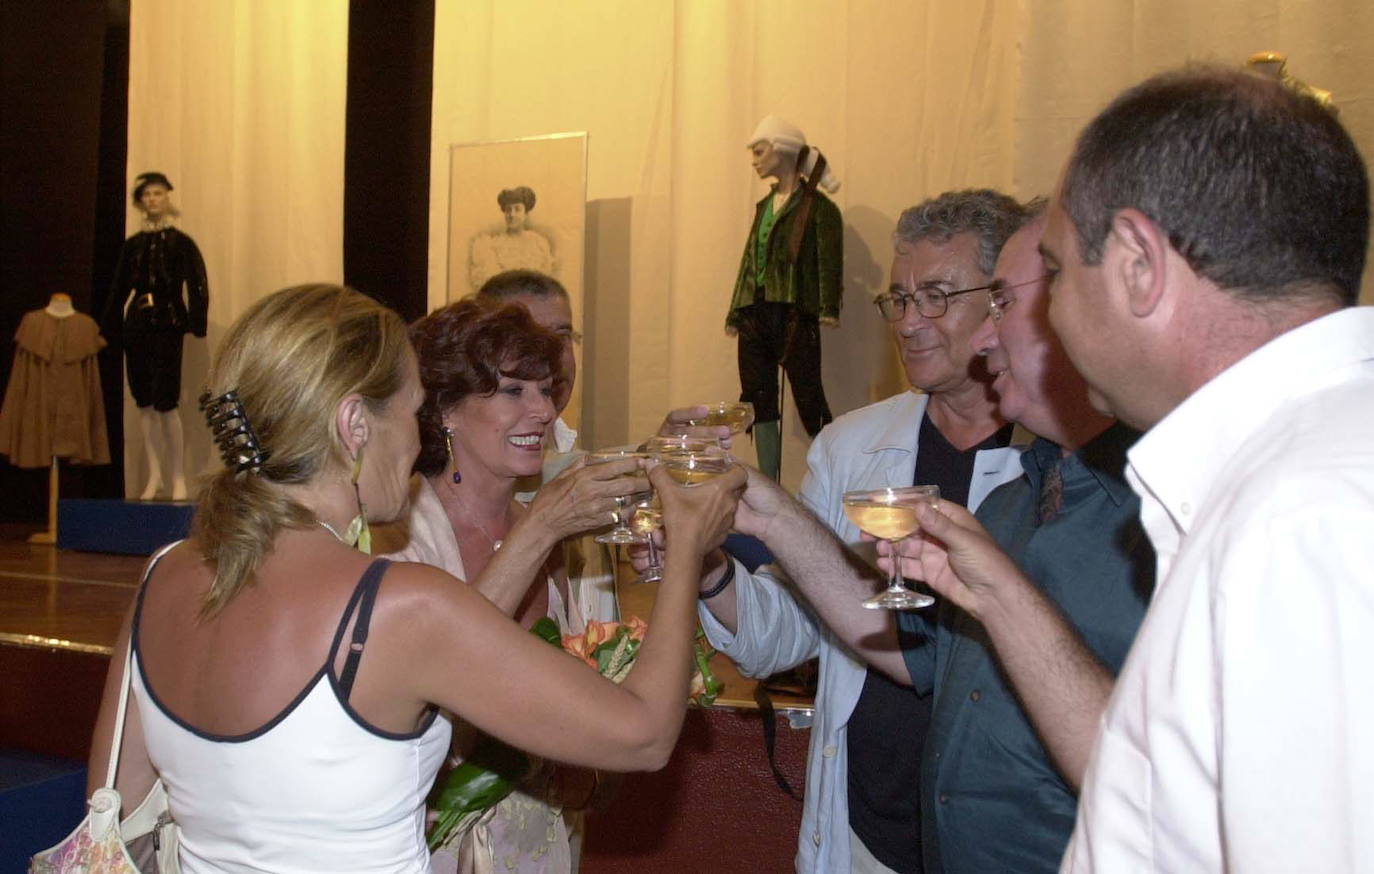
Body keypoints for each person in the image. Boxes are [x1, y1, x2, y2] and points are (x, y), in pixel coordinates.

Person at [86, 283, 745, 872]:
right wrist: (687, 542)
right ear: (354, 424)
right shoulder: (397, 605)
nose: (415, 441)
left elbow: (114, 822)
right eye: (411, 411)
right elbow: (644, 735)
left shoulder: (163, 575)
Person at [1035, 66, 1374, 871]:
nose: (1048, 312)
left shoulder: (1303, 521)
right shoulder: (1304, 476)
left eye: (1055, 271)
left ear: (1137, 264)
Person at [695, 190, 1028, 874]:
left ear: (1003, 303)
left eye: (936, 297)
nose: (909, 322)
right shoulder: (852, 446)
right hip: (867, 833)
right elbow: (791, 628)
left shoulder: (1054, 457)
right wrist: (709, 569)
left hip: (1003, 839)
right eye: (898, 300)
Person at [860, 204, 1153, 871]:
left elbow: (1173, 797)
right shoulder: (1005, 506)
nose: (983, 340)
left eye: (1003, 304)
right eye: (901, 300)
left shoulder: (1170, 515)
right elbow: (921, 663)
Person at [378, 296, 648, 873]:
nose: (543, 411)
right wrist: (544, 525)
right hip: (433, 848)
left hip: (543, 845)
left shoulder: (558, 533)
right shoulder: (399, 535)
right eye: (513, 391)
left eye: (545, 390)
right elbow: (436, 672)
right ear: (446, 409)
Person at [726, 115, 843, 479]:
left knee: (808, 397)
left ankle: (835, 472)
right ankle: (768, 480)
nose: (754, 160)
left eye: (760, 151)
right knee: (757, 398)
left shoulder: (819, 208)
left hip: (793, 313)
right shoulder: (764, 207)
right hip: (755, 312)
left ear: (783, 151)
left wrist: (826, 307)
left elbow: (828, 259)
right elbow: (750, 261)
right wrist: (736, 310)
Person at [103, 171, 209, 501]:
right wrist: (108, 327)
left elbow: (198, 283)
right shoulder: (133, 246)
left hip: (168, 322)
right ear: (140, 201)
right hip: (137, 323)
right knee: (144, 402)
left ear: (167, 197)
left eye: (158, 193)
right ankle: (155, 475)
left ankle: (177, 475)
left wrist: (196, 322)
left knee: (166, 400)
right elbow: (119, 287)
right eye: (147, 195)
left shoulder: (181, 242)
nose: (152, 199)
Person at [469, 187, 556, 292]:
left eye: (517, 209)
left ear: (526, 213)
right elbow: (489, 284)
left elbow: (544, 280)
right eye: (508, 210)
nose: (512, 214)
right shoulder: (492, 245)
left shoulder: (539, 243)